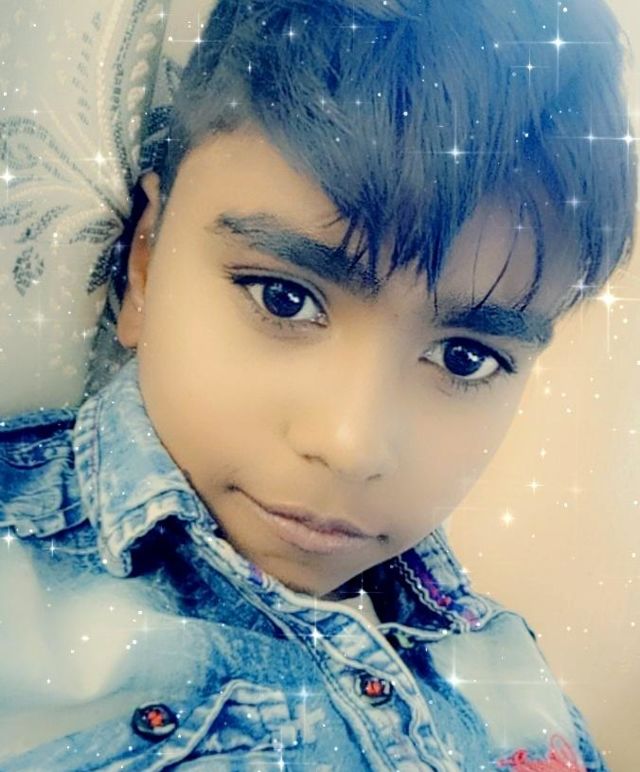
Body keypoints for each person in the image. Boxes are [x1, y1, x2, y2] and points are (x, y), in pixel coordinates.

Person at [0, 0, 635, 769]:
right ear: (144, 263)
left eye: (464, 358)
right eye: (284, 298)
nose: (351, 444)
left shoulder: (510, 679)